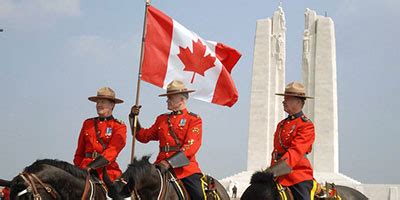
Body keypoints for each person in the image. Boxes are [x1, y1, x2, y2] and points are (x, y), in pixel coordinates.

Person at [130, 80, 206, 200]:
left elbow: (190, 148)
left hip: (184, 169)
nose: (167, 100)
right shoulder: (162, 119)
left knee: (199, 195)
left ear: (182, 100)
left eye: (171, 98)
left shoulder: (193, 119)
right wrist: (133, 118)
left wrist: (169, 163)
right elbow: (143, 136)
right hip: (160, 166)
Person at [266, 82, 317, 200]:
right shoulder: (281, 124)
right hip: (277, 176)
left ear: (298, 102)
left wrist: (272, 172)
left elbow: (296, 152)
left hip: (297, 176)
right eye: (284, 98)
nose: (283, 101)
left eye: (287, 99)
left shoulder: (306, 125)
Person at [74, 87, 127, 181]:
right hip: (84, 170)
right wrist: (78, 170)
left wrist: (92, 166)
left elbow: (112, 152)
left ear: (112, 105)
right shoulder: (88, 123)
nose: (99, 105)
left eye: (102, 102)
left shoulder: (119, 126)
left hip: (107, 172)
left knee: (119, 194)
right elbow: (79, 152)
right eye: (98, 102)